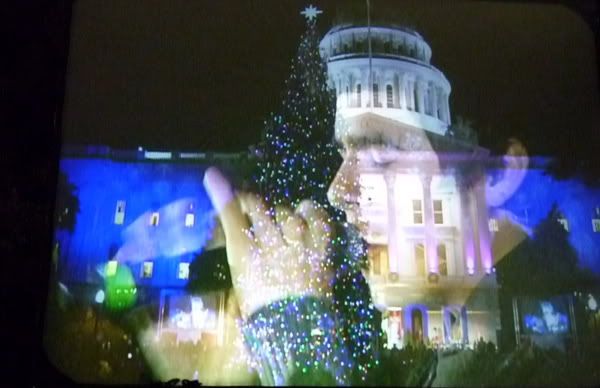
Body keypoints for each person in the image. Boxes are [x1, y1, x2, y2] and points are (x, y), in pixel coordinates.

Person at [201, 114, 529, 385]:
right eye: (344, 156)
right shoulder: (442, 353)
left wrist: (292, 323)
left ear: (499, 175)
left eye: (381, 157)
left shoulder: (527, 365)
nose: (337, 191)